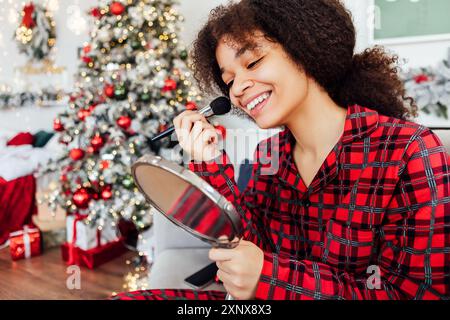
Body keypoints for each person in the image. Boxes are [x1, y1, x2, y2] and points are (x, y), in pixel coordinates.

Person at [114, 0, 449, 300]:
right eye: (228, 81)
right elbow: (245, 243)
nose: (238, 90)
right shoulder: (268, 156)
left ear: (305, 48)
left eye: (253, 62)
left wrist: (269, 277)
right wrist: (209, 161)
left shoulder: (410, 153)